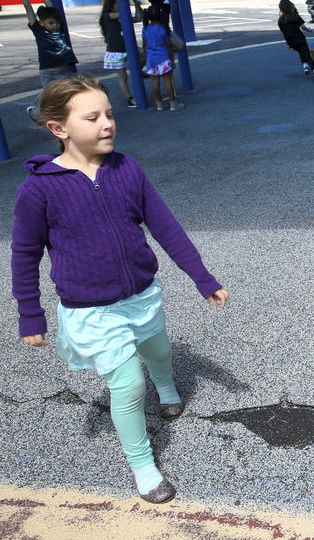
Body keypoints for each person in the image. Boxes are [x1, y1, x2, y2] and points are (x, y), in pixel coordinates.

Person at [12, 76, 229, 504]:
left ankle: (166, 386)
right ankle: (143, 464)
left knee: (159, 351)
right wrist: (29, 314)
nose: (107, 123)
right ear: (59, 129)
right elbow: (23, 254)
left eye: (109, 114)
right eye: (92, 117)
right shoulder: (38, 188)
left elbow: (165, 226)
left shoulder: (126, 169)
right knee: (127, 385)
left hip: (141, 294)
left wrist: (202, 277)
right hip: (91, 310)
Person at [18, 0, 78, 88]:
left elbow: (50, 6)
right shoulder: (39, 31)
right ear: (41, 23)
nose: (55, 25)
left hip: (67, 72)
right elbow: (28, 8)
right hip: (50, 74)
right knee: (52, 101)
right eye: (51, 23)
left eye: (56, 22)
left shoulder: (60, 29)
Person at [99, 0, 144, 108]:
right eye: (117, 3)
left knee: (145, 55)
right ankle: (129, 98)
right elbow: (122, 14)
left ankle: (139, 69)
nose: (120, 5)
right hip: (116, 50)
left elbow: (138, 18)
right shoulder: (108, 16)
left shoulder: (121, 16)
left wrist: (134, 1)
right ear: (111, 5)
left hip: (128, 46)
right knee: (122, 76)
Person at [141, 7, 182, 112]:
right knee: (167, 81)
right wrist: (172, 60)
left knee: (155, 82)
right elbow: (168, 46)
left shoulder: (145, 29)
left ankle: (159, 104)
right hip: (163, 57)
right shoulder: (164, 29)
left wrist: (145, 58)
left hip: (151, 59)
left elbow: (144, 45)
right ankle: (173, 104)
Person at [277, 0, 314, 82]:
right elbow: (303, 27)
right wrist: (308, 30)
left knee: (300, 51)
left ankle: (305, 66)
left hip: (290, 41)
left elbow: (283, 31)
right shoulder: (295, 16)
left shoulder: (280, 20)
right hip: (300, 39)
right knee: (307, 54)